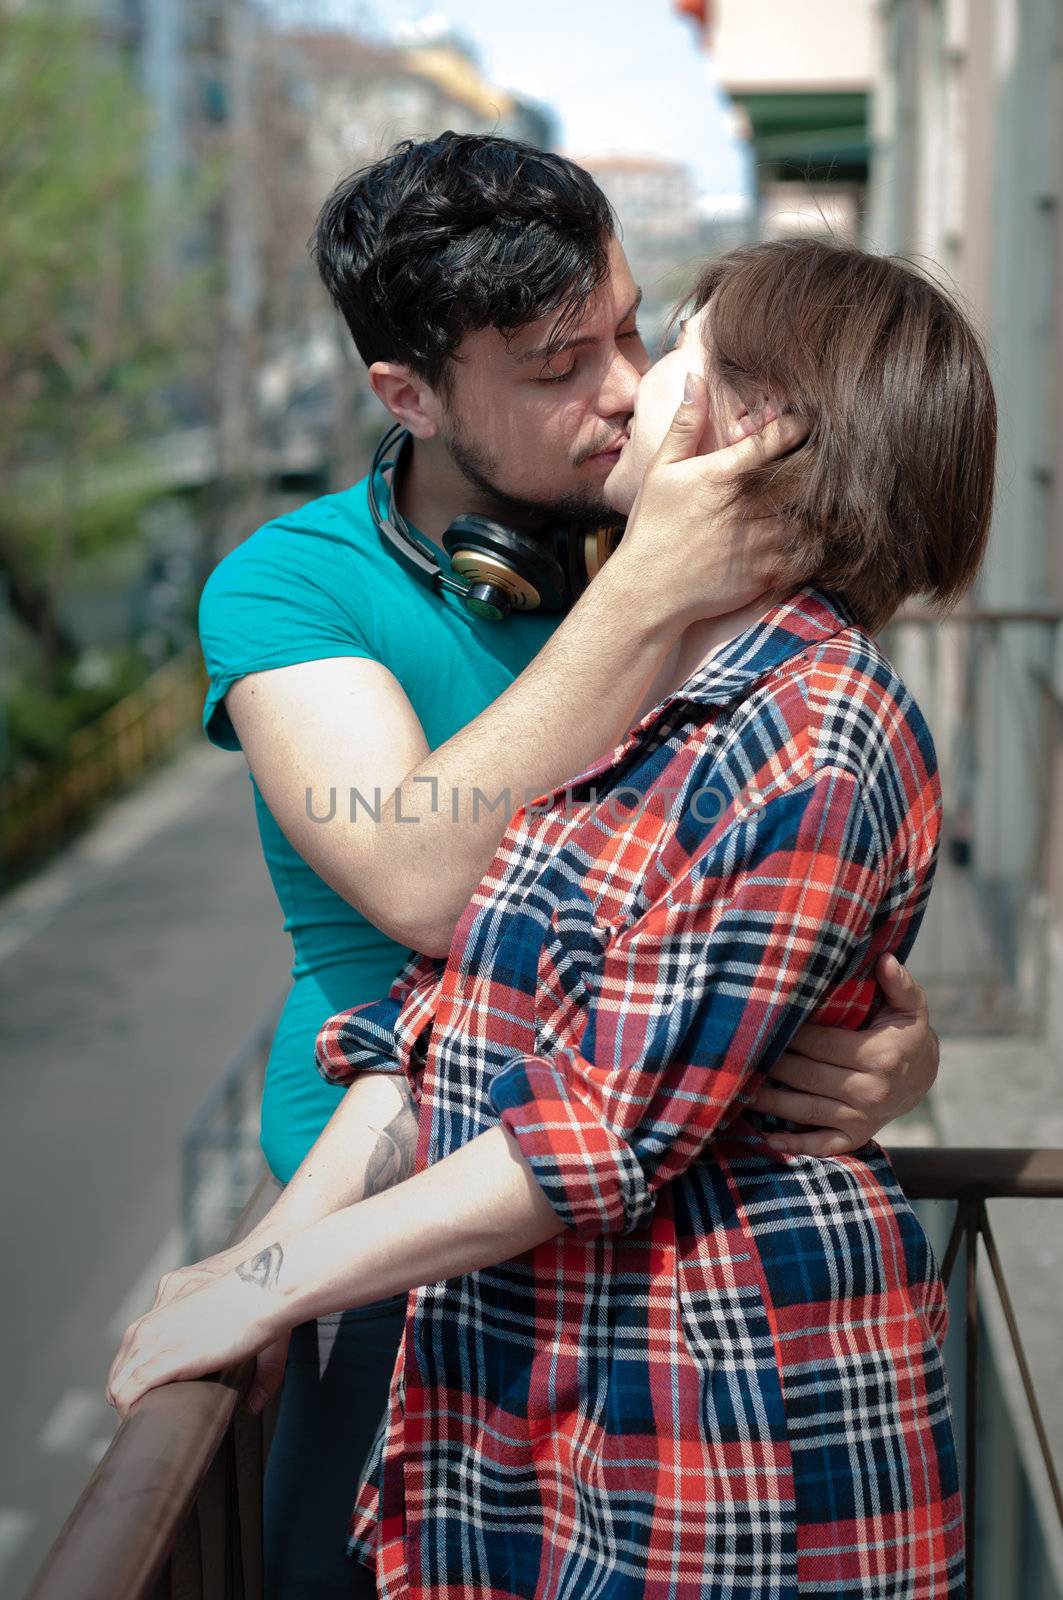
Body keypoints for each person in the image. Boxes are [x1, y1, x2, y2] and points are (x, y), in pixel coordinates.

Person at [111, 235, 994, 1596]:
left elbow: (589, 1126)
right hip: (538, 1371)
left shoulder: (813, 730)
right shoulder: (643, 680)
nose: (629, 391)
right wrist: (257, 1260)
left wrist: (266, 1278)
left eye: (663, 342)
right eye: (564, 364)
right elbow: (446, 1002)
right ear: (413, 394)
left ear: (755, 430)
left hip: (718, 1426)